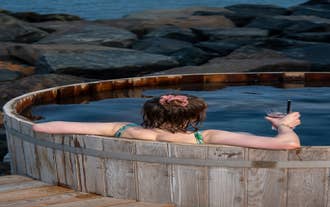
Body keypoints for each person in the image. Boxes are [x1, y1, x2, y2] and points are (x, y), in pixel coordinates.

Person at [32, 94, 301, 150]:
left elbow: (42, 127)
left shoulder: (120, 129)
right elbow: (288, 145)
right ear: (194, 117)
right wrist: (284, 124)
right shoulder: (205, 137)